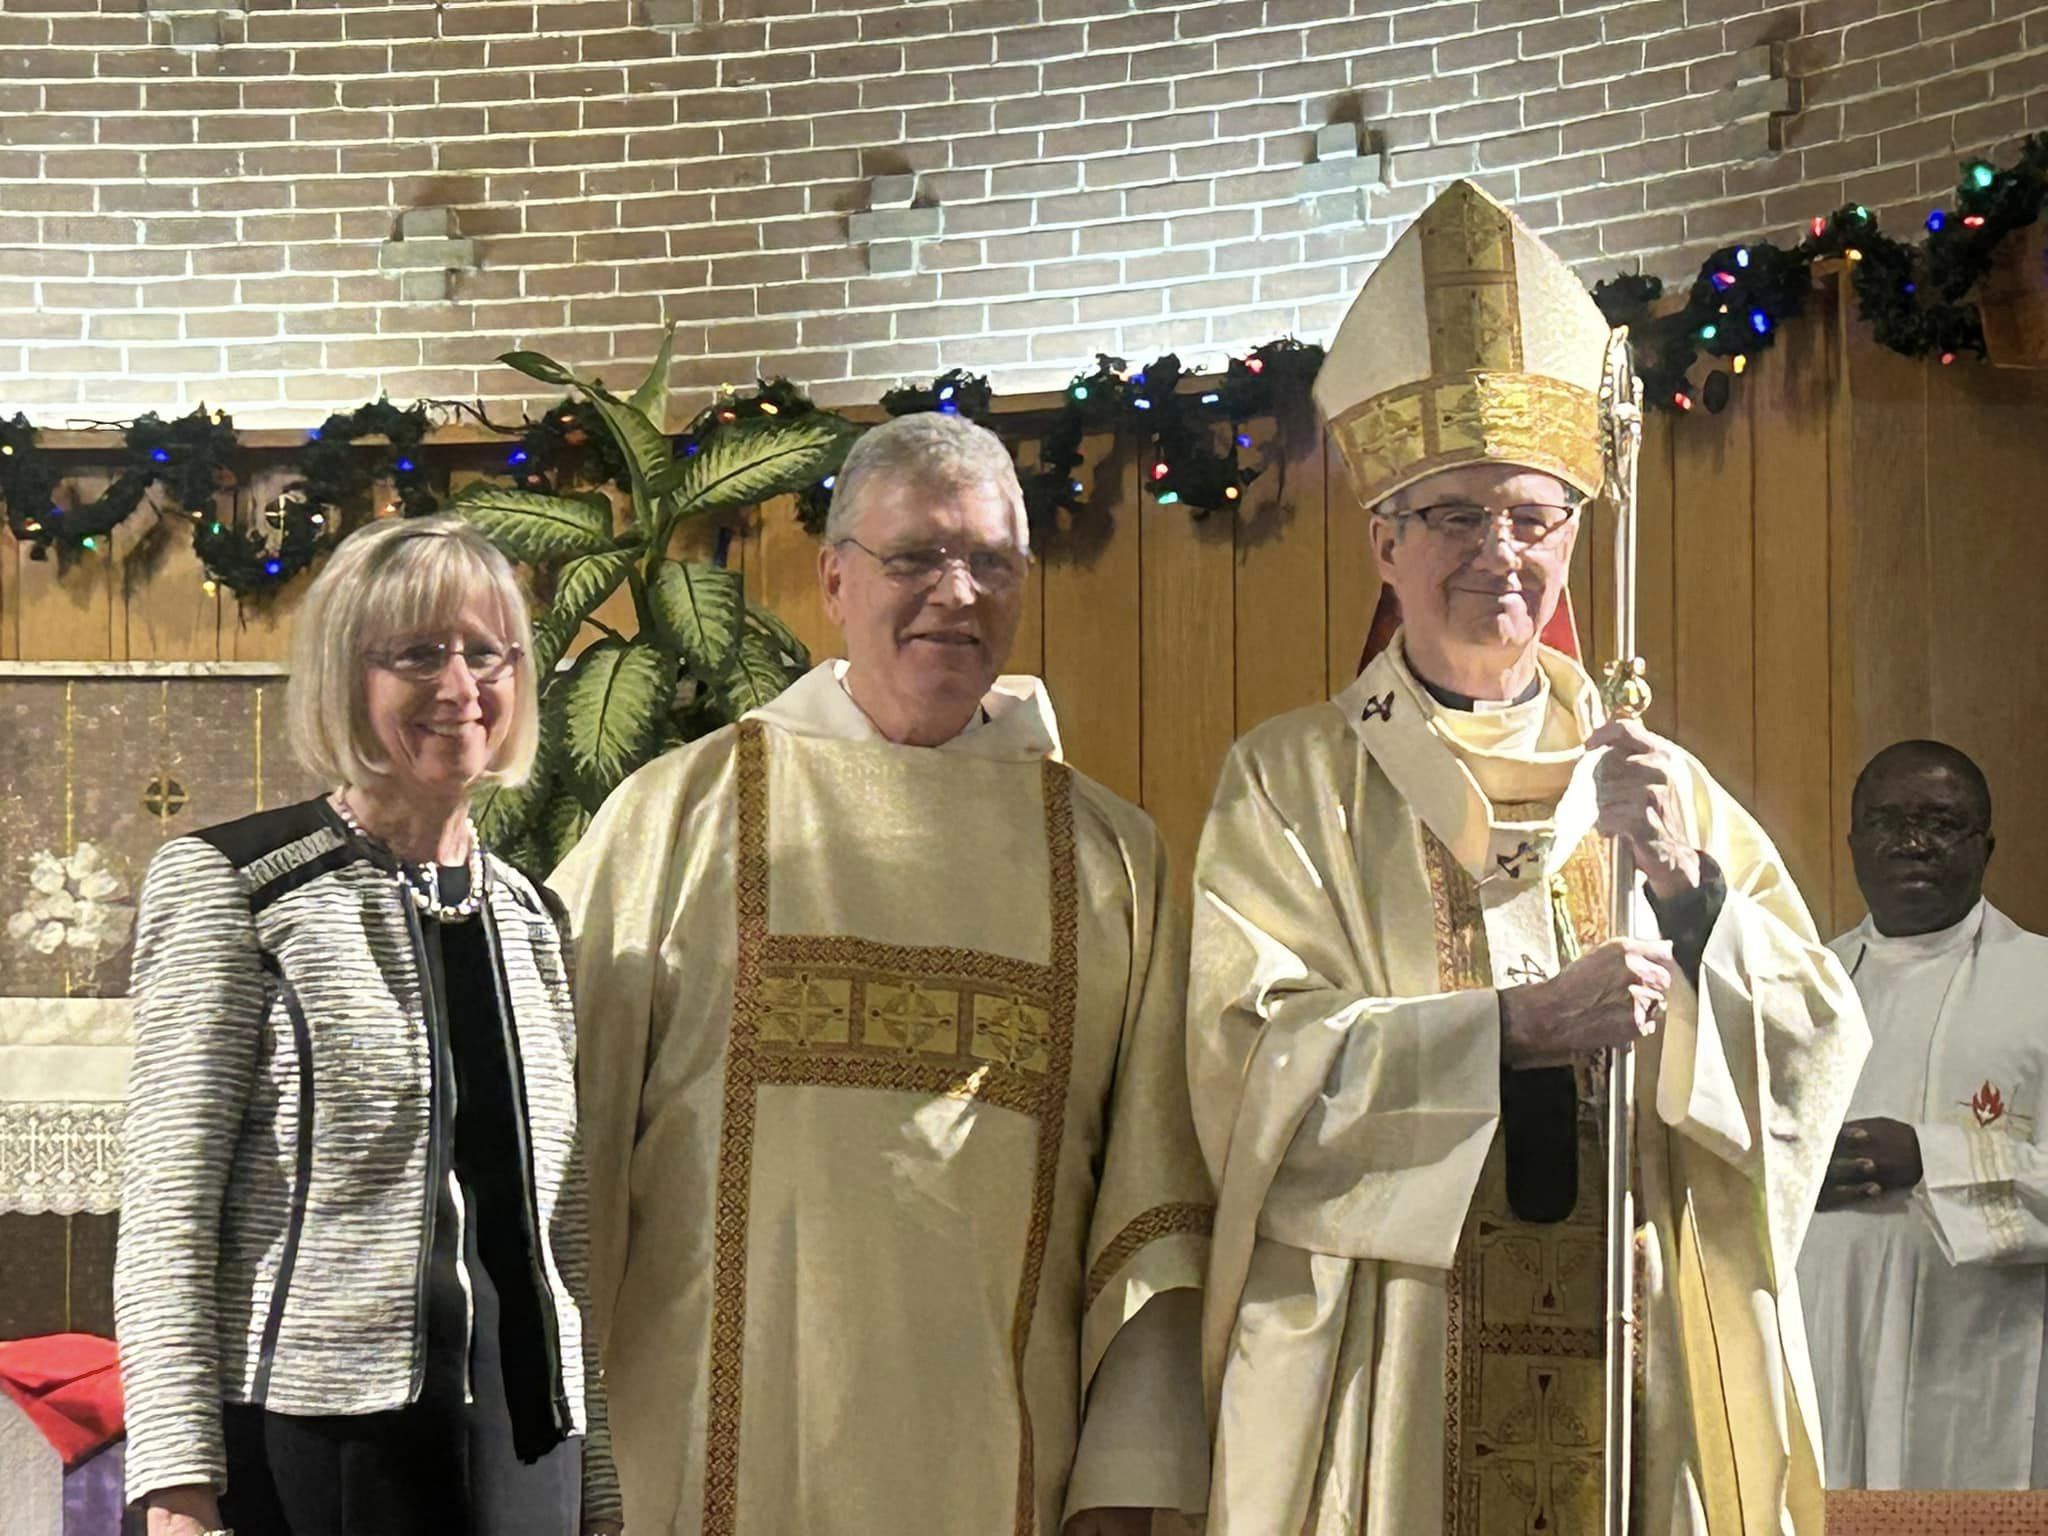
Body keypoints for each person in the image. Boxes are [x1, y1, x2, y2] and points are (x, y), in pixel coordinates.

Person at [1186, 179, 1870, 1535]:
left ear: (1577, 537)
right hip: (1400, 1361)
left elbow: (1813, 1045)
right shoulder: (1292, 782)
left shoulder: (1654, 785)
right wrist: (1509, 1029)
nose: (1502, 554)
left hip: (1626, 1363)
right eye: (1455, 516)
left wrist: (1689, 891)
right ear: (1383, 542)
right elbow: (1244, 1062)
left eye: (1538, 516)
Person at [553, 411, 1212, 1535]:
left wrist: (1123, 1481)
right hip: (697, 1461)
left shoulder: (1107, 858)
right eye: (914, 557)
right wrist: (563, 1461)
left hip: (1003, 1471)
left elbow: (1150, 1204)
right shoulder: (680, 817)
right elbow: (555, 1150)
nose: (955, 594)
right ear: (834, 580)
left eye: (989, 562)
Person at [115, 517, 620, 1536]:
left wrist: (595, 1476)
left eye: (487, 653)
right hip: (320, 1438)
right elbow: (170, 1207)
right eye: (417, 654)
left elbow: (554, 1231)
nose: (459, 687)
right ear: (347, 677)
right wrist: (174, 1476)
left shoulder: (530, 918)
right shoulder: (242, 889)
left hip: (527, 1440)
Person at [1798, 740, 2048, 1488]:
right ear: (1852, 842)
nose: (1912, 843)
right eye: (1888, 820)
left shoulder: (2039, 982)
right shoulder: (1803, 989)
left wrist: (1932, 1158)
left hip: (1983, 1349)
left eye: (1941, 823)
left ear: (1986, 846)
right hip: (1825, 1336)